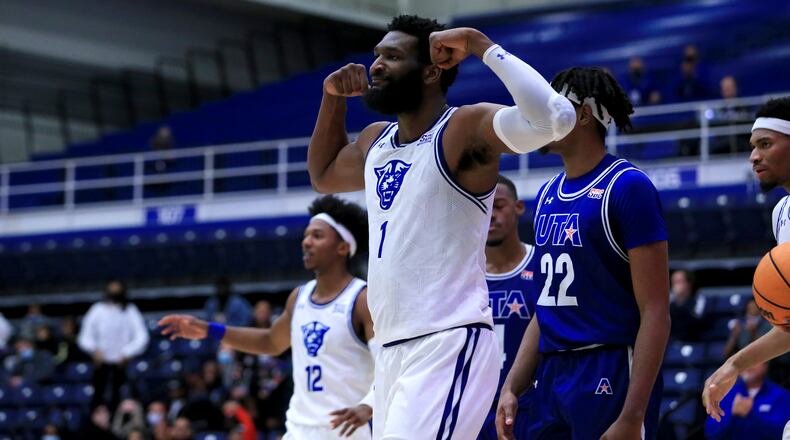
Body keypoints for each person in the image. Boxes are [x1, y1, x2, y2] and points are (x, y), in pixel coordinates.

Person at [308, 14, 575, 438]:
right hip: (391, 350)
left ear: (432, 71)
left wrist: (479, 43)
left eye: (392, 57)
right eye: (376, 55)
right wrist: (331, 98)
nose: (376, 65)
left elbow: (554, 120)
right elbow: (323, 174)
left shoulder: (463, 129)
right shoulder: (376, 139)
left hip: (446, 341)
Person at [497, 67, 670, 440]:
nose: (537, 117)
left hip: (608, 366)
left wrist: (632, 415)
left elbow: (655, 310)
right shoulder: (546, 194)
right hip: (551, 372)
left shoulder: (628, 187)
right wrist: (512, 384)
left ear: (583, 115)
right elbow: (546, 309)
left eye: (551, 106)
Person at [160, 195, 376, 440]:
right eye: (306, 235)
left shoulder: (361, 300)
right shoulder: (299, 297)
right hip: (298, 430)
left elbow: (391, 365)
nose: (306, 242)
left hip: (347, 432)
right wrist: (210, 329)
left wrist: (368, 405)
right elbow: (271, 342)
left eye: (317, 236)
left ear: (343, 247)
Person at [703, 97, 790, 437]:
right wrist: (734, 364)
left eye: (765, 144)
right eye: (752, 146)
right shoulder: (781, 212)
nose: (754, 156)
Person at [477, 175, 536, 440]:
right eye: (484, 207)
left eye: (498, 205)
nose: (490, 215)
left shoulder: (542, 265)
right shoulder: (462, 274)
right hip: (474, 406)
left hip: (530, 405)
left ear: (518, 208)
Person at [78, 280, 150, 411]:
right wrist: (94, 350)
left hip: (123, 364)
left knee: (122, 399)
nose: (114, 294)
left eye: (117, 290)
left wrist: (128, 352)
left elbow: (142, 337)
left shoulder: (130, 310)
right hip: (101, 364)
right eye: (112, 290)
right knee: (98, 400)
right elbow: (84, 337)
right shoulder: (97, 310)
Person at [704, 362, 790, 440]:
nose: (749, 366)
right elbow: (710, 433)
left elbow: (784, 433)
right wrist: (732, 414)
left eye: (755, 360)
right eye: (745, 361)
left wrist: (751, 414)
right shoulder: (725, 394)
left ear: (765, 365)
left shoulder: (781, 395)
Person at [669, 269, 704, 341]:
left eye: (679, 282)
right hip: (672, 341)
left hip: (693, 339)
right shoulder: (669, 302)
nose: (675, 286)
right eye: (673, 282)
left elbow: (696, 321)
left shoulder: (699, 300)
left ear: (688, 283)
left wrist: (680, 301)